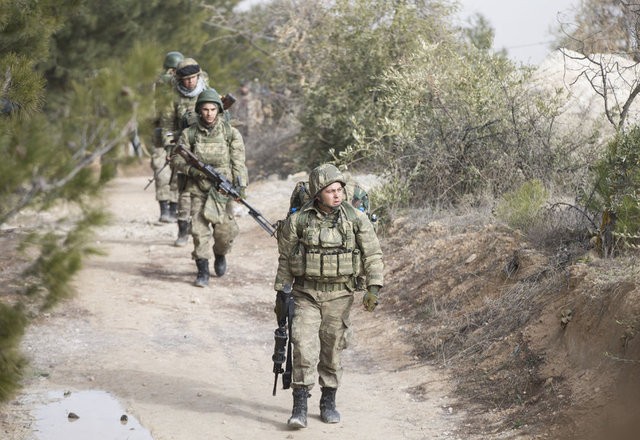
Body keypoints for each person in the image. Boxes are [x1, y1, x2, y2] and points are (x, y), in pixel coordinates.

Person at [273, 163, 384, 429]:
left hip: (339, 295)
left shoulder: (355, 218)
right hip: (306, 294)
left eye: (339, 190)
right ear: (317, 194)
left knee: (332, 348)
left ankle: (328, 401)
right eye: (330, 191)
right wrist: (281, 292)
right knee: (301, 345)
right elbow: (286, 259)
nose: (337, 195)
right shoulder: (298, 220)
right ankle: (300, 405)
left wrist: (374, 287)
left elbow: (372, 253)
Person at [171, 88, 248, 287]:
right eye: (205, 109)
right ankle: (202, 270)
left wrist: (240, 188)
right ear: (199, 111)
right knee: (198, 231)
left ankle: (220, 254)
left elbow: (238, 163)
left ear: (219, 110)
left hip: (223, 190)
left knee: (225, 232)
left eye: (213, 109)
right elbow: (177, 160)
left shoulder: (231, 133)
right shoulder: (189, 134)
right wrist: (194, 172)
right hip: (198, 189)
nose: (209, 113)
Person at [164, 57, 210, 246]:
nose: (190, 82)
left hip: (205, 144)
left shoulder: (206, 90)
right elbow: (167, 124)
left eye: (193, 78)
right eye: (186, 79)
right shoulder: (173, 97)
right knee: (183, 189)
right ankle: (183, 231)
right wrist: (170, 147)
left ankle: (206, 229)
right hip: (183, 146)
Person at [150, 50, 184, 223]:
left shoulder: (182, 85)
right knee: (163, 169)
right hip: (161, 133)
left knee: (174, 170)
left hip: (175, 133)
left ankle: (171, 208)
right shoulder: (159, 84)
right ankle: (166, 209)